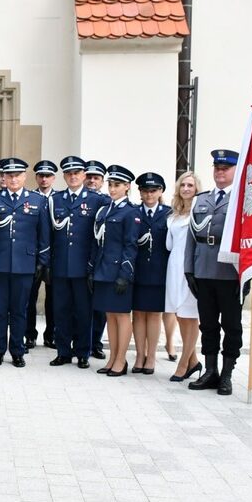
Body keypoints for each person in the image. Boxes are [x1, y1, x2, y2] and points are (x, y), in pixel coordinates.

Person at [0, 158, 50, 368]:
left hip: (25, 264)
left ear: (24, 177)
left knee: (19, 310)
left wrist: (42, 262)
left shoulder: (37, 200)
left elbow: (44, 234)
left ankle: (17, 351)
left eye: (17, 175)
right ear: (3, 177)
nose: (13, 179)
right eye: (9, 175)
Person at [185, 150, 243, 396]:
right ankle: (210, 371)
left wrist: (247, 275)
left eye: (225, 168)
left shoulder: (242, 199)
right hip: (203, 269)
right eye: (217, 167)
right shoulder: (201, 199)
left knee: (231, 326)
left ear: (235, 171)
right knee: (208, 325)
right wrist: (189, 269)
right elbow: (191, 237)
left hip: (230, 272)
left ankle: (227, 374)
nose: (220, 172)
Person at [47, 156, 109, 369]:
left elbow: (99, 236)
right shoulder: (55, 199)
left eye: (77, 173)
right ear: (64, 176)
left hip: (84, 267)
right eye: (69, 173)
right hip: (60, 266)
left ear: (84, 175)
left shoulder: (97, 200)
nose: (73, 176)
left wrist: (95, 265)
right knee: (61, 311)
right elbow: (49, 235)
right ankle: (63, 352)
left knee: (84, 312)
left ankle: (83, 352)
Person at [90, 165, 139, 377]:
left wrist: (125, 274)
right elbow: (98, 242)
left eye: (117, 185)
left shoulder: (130, 212)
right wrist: (92, 269)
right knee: (109, 315)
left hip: (119, 272)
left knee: (121, 315)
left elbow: (131, 245)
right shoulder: (105, 210)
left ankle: (121, 359)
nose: (112, 189)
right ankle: (112, 358)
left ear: (127, 186)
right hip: (103, 269)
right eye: (110, 184)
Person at [130, 172, 171, 375]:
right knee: (138, 314)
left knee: (154, 315)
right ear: (139, 192)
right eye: (145, 190)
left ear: (161, 191)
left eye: (153, 190)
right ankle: (139, 355)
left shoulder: (169, 213)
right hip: (137, 271)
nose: (149, 194)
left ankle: (151, 356)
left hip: (159, 272)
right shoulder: (133, 212)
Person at [165, 171, 202, 382]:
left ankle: (183, 364)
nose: (186, 189)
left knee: (190, 315)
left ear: (196, 189)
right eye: (183, 185)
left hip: (191, 268)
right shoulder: (173, 216)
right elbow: (169, 245)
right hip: (174, 267)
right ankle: (194, 361)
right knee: (179, 315)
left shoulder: (199, 212)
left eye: (190, 185)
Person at [27, 159, 57, 349]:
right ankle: (30, 335)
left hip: (55, 257)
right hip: (33, 256)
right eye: (41, 176)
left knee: (54, 298)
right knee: (29, 297)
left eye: (48, 176)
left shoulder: (60, 198)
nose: (44, 179)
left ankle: (51, 335)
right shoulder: (29, 198)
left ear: (53, 178)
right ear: (36, 177)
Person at [84, 159, 109, 359]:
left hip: (99, 260)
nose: (92, 181)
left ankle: (96, 343)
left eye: (96, 177)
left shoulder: (106, 201)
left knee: (99, 306)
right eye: (89, 177)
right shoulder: (75, 198)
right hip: (78, 259)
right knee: (78, 306)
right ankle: (80, 341)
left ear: (102, 181)